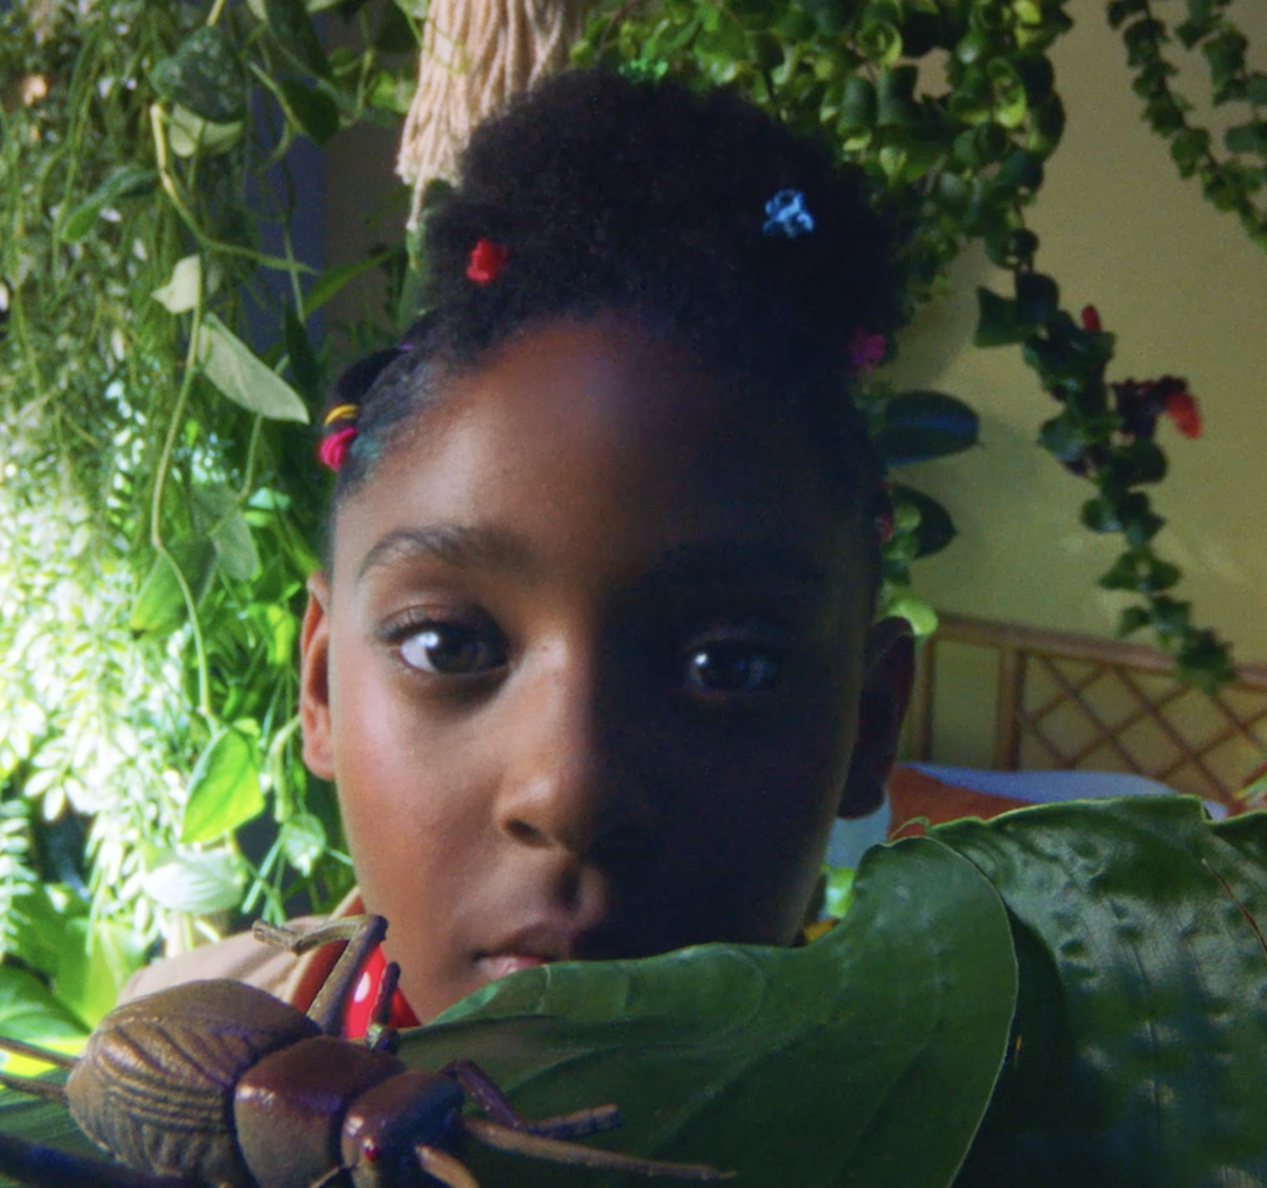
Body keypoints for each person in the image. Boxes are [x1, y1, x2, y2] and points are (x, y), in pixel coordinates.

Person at [122, 65, 929, 1027]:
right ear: (322, 686)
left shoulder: (996, 1120)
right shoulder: (158, 1051)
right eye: (448, 645)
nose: (570, 792)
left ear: (868, 725)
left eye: (728, 666)